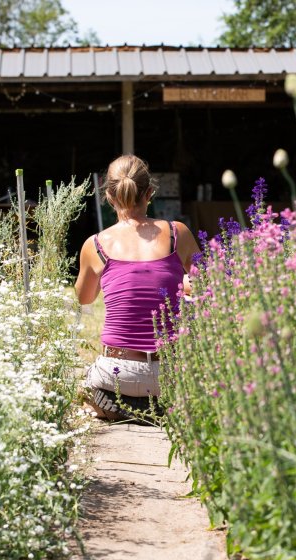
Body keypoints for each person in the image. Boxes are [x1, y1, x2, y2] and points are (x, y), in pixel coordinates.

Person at [75, 154, 198, 421]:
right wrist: (182, 285)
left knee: (85, 385)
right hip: (172, 375)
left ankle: (113, 407)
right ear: (150, 193)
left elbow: (84, 298)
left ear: (109, 195)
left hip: (116, 376)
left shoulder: (95, 245)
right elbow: (210, 286)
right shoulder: (178, 234)